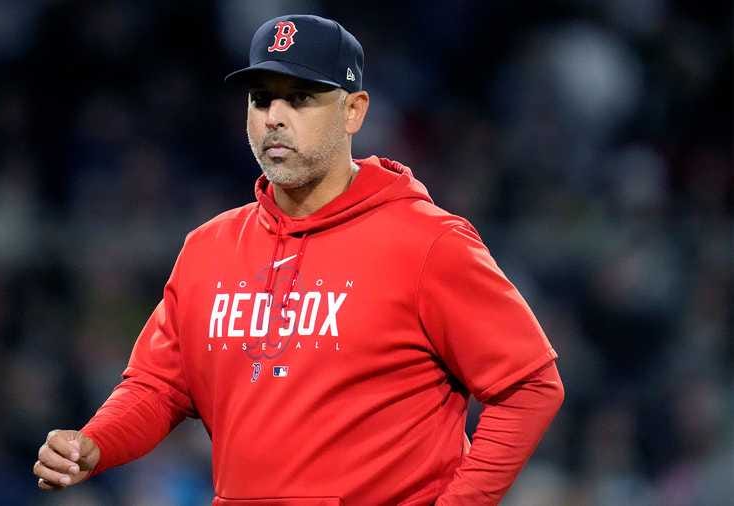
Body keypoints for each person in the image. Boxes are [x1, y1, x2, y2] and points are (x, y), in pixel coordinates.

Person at [32, 14, 564, 505]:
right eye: (261, 100)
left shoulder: (429, 243)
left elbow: (530, 385)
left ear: (354, 111)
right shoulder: (209, 248)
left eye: (301, 98)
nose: (275, 119)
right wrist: (95, 443)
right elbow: (160, 386)